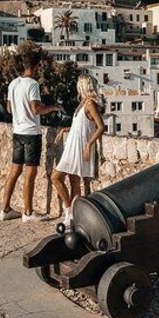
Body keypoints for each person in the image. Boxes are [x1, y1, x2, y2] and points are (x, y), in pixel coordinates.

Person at [0, 53, 63, 222]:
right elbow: (36, 109)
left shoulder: (13, 83)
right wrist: (53, 108)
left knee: (14, 171)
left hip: (17, 131)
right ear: (36, 66)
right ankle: (28, 212)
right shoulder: (33, 84)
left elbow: (9, 108)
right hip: (31, 133)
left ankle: (5, 209)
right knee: (30, 173)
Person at [50, 74, 105, 227]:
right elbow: (80, 126)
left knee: (57, 177)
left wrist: (89, 144)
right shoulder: (82, 103)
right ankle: (72, 215)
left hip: (80, 146)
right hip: (73, 145)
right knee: (73, 181)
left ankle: (69, 211)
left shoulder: (90, 104)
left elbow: (101, 127)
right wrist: (64, 130)